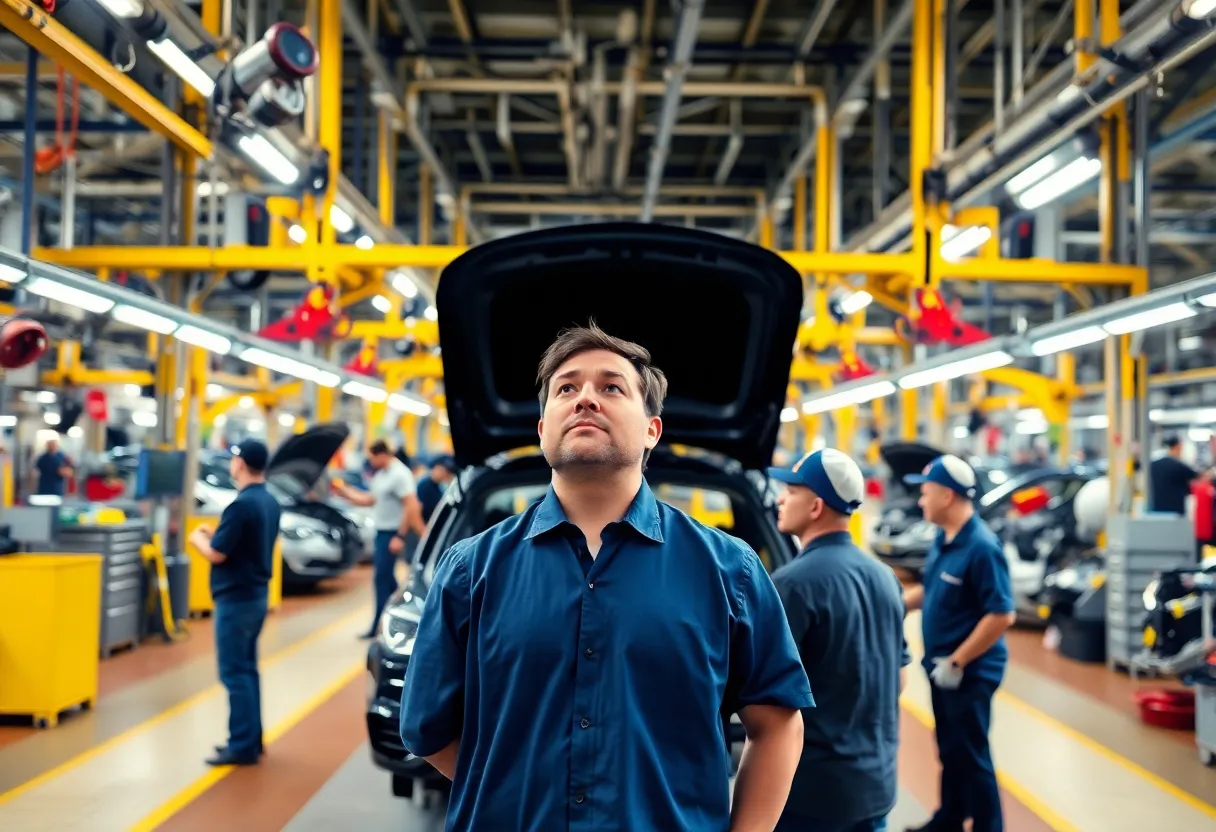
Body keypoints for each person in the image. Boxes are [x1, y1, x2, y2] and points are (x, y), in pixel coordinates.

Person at [399, 323, 813, 830]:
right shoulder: (470, 569)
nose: (585, 399)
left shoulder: (732, 571)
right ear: (542, 428)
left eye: (611, 387)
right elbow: (426, 727)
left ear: (651, 431)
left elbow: (777, 725)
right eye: (566, 388)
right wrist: (507, 791)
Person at [768, 448, 908, 832]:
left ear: (815, 507)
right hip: (875, 786)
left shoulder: (792, 584)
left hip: (815, 797)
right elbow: (899, 678)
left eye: (791, 491)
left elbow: (763, 694)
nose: (780, 498)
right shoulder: (885, 578)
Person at [901, 455, 1016, 832]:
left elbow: (1001, 614)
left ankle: (988, 826)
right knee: (950, 749)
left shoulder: (982, 547)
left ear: (947, 495)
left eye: (926, 492)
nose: (921, 500)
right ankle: (950, 819)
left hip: (969, 672)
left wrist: (958, 661)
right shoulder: (944, 539)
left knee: (972, 754)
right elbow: (933, 588)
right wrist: (896, 603)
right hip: (941, 668)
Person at [188, 439, 282, 766]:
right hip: (256, 596)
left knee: (234, 673)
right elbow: (243, 541)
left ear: (240, 464)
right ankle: (252, 739)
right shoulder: (268, 501)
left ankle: (241, 745)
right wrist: (218, 532)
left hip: (236, 600)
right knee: (247, 670)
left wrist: (198, 537)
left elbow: (217, 553)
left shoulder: (240, 505)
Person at [334, 439, 426, 638]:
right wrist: (343, 492)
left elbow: (411, 505)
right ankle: (403, 613)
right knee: (386, 579)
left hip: (392, 533)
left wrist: (400, 535)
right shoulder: (382, 475)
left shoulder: (400, 474)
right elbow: (370, 499)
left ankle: (378, 626)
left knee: (381, 580)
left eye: (372, 457)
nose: (370, 462)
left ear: (382, 454)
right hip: (381, 532)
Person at [1149, 436, 1213, 515]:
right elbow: (1200, 477)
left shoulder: (1153, 465)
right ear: (1179, 446)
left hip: (1155, 509)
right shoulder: (1178, 465)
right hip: (1175, 510)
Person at [415, 455, 457, 525]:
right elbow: (417, 511)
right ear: (436, 468)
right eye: (443, 470)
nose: (446, 474)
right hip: (426, 525)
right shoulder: (425, 485)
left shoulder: (441, 486)